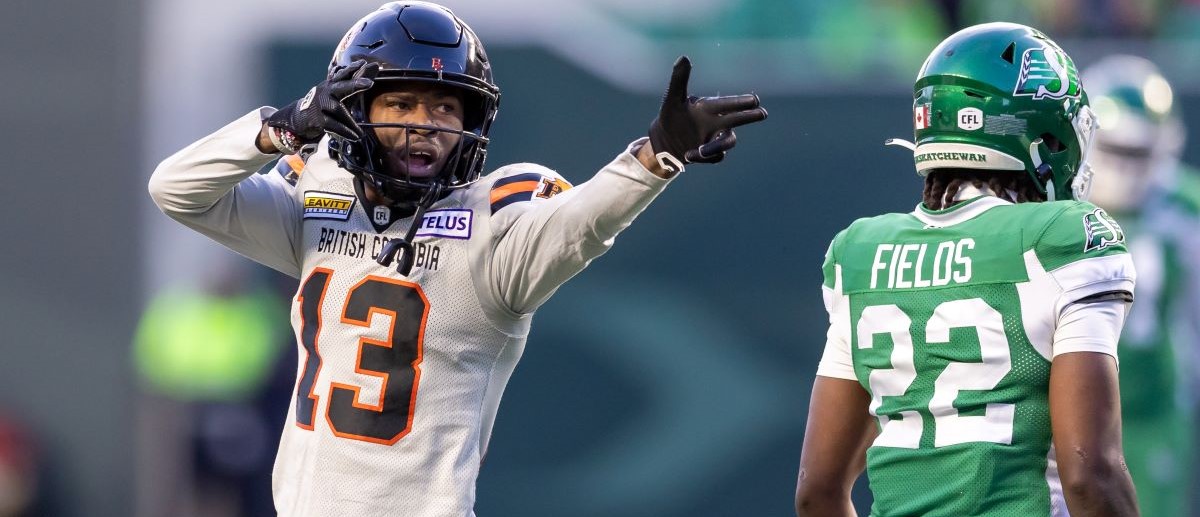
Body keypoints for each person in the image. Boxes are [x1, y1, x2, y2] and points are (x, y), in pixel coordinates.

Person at [148, 2, 767, 515]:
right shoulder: (321, 204)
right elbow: (175, 190)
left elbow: (582, 224)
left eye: (446, 107)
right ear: (351, 109)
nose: (427, 125)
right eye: (403, 104)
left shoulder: (493, 227)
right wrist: (281, 127)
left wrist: (654, 157)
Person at [795, 23, 1139, 516]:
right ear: (1038, 132)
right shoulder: (1062, 238)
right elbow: (1089, 474)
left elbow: (817, 492)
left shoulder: (860, 253)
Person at [1083, 54, 1200, 517]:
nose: (1126, 168)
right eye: (1116, 150)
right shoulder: (1053, 205)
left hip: (1153, 407)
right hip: (1064, 399)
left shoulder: (1185, 207)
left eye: (1138, 153)